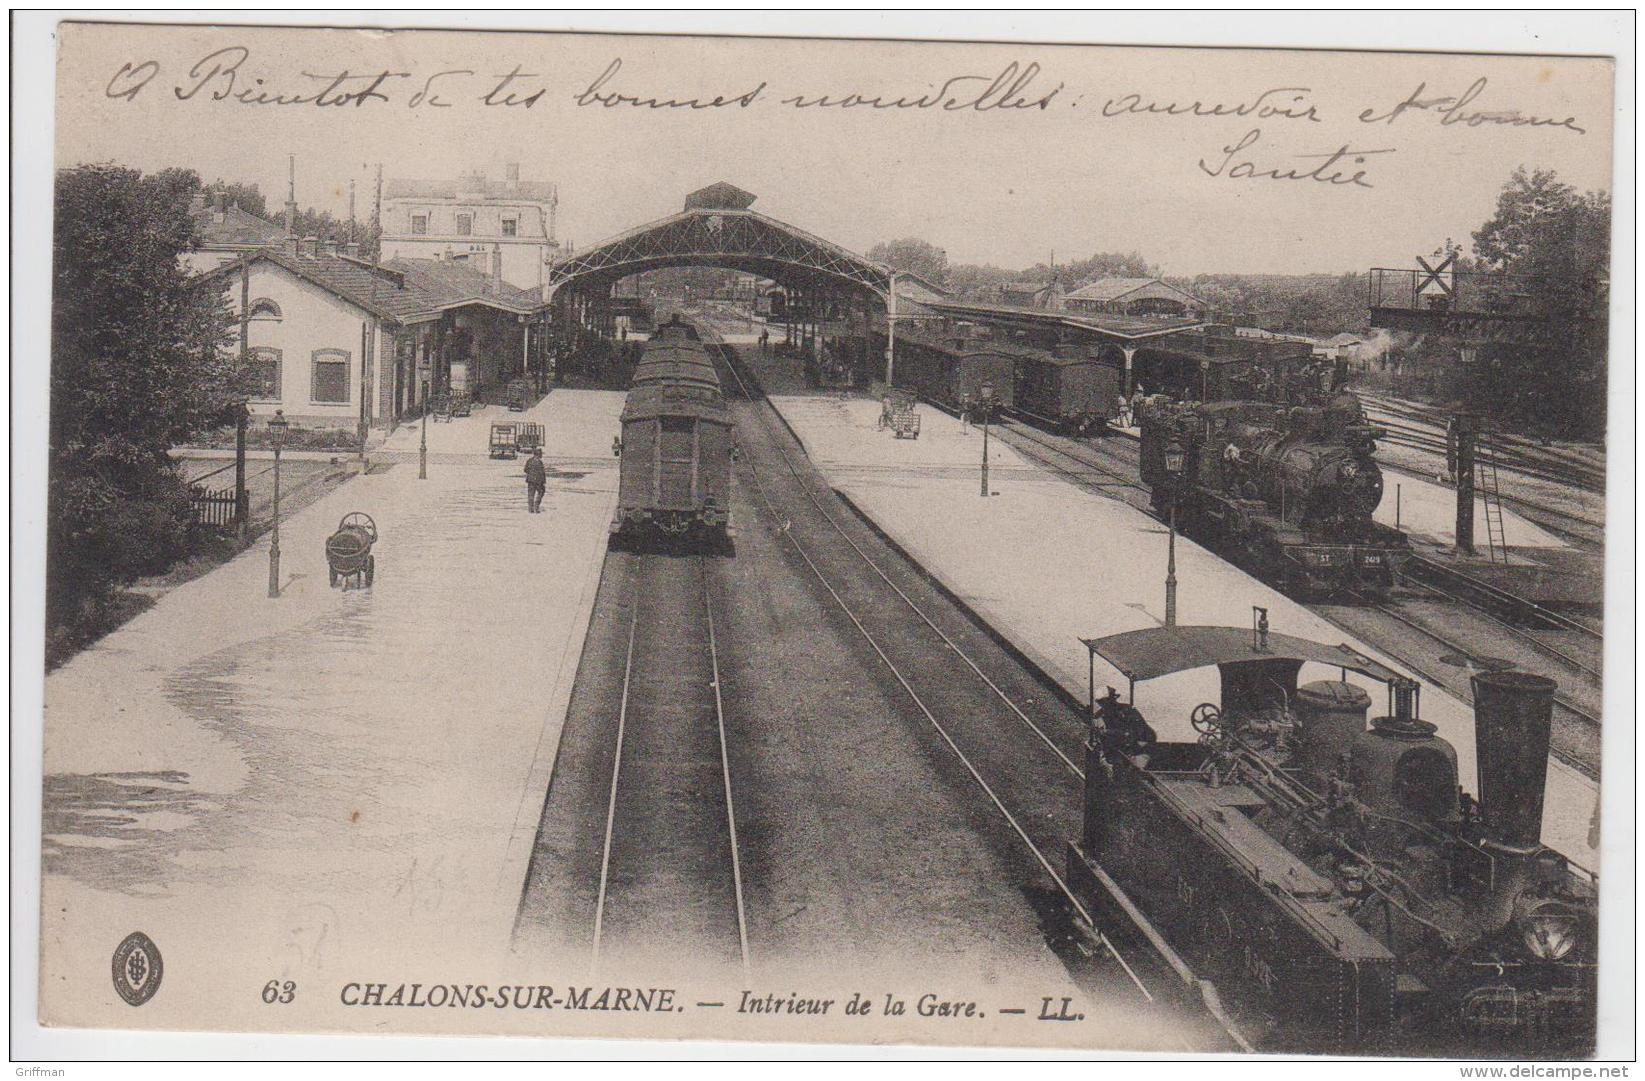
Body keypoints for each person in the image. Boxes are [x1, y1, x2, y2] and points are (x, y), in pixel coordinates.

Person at [524, 448, 547, 513]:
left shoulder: (529, 460)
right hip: (538, 481)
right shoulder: (540, 462)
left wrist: (531, 474)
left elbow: (525, 470)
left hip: (530, 480)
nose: (541, 455)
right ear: (538, 454)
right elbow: (542, 473)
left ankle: (531, 509)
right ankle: (536, 506)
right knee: (541, 492)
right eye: (541, 454)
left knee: (531, 494)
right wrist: (543, 482)